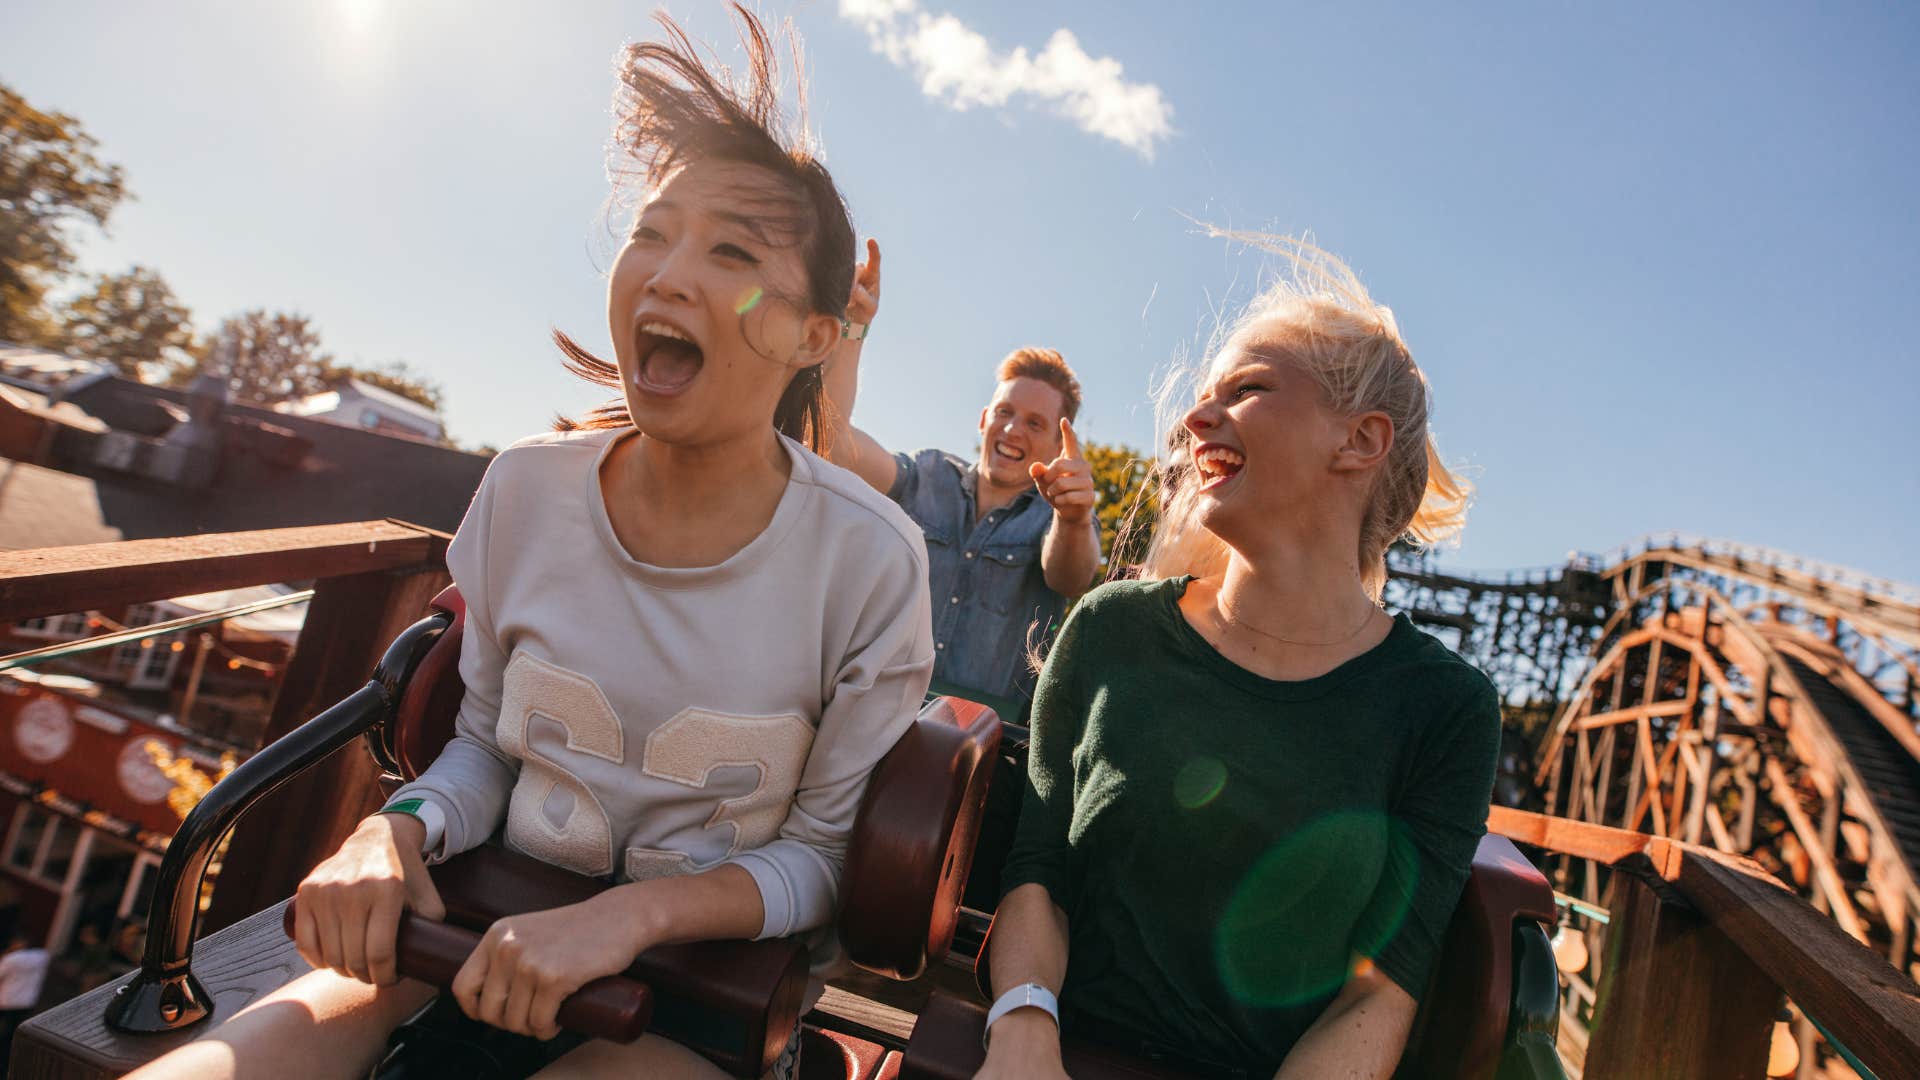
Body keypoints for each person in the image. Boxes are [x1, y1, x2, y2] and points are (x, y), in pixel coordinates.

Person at [131, 8, 931, 1079]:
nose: (668, 274)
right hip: (475, 923)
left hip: (706, 990)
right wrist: (395, 832)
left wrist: (629, 920)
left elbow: (818, 864)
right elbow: (491, 750)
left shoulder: (871, 561)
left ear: (815, 339)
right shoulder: (522, 488)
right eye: (652, 232)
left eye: (731, 253)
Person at [977, 235, 1500, 1079]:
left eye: (1248, 389)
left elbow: (1380, 993)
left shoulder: (1446, 708)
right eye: (1203, 396)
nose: (1195, 420)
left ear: (1360, 442)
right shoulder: (1112, 629)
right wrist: (1024, 1032)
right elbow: (1040, 869)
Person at [820, 245, 1102, 712]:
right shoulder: (927, 475)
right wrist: (852, 328)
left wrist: (1074, 519)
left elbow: (1070, 577)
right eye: (1006, 412)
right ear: (983, 419)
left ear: (1056, 445)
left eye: (1035, 423)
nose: (1013, 429)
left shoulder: (1057, 518)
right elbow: (832, 444)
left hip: (984, 751)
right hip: (870, 716)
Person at [0, 931, 51, 1059]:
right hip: (27, 1001)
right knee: (13, 1031)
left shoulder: (11, 959)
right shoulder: (42, 956)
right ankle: (9, 1056)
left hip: (7, 1000)